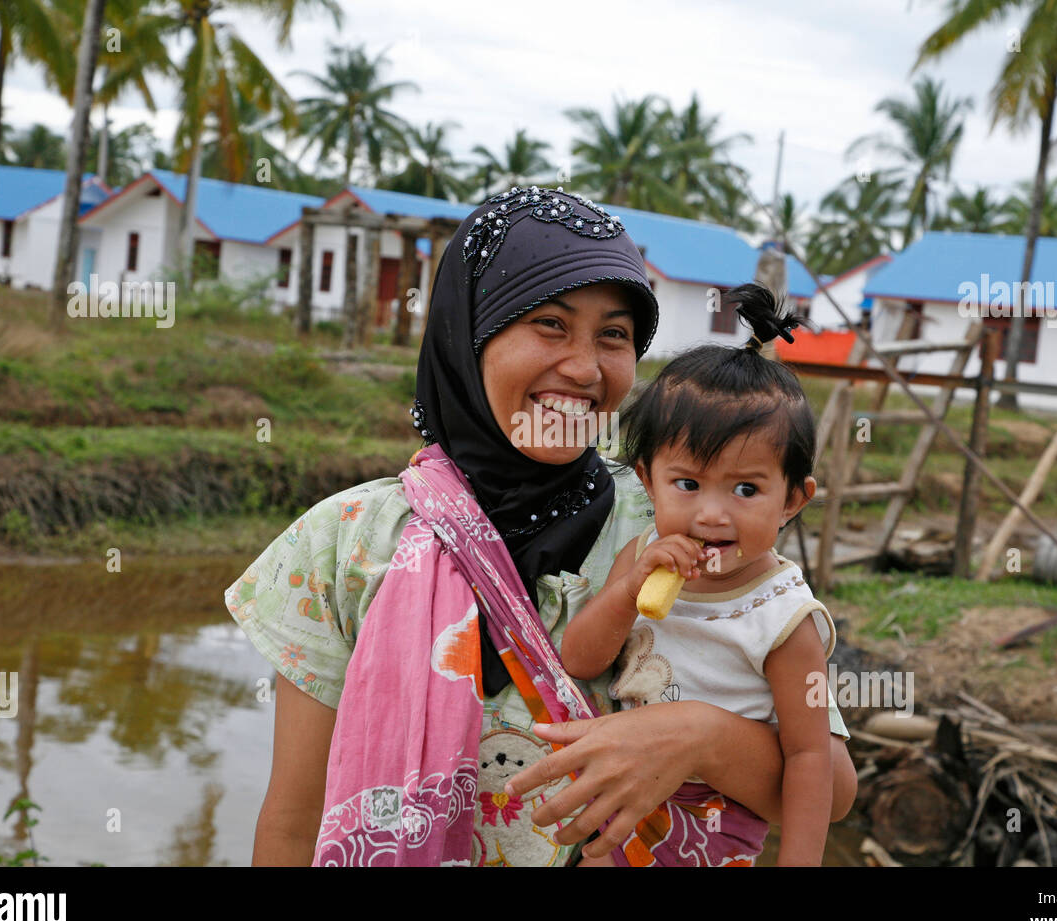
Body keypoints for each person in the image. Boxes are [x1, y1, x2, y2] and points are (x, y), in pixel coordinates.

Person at [225, 185, 856, 867]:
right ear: (469, 332)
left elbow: (831, 787)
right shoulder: (344, 543)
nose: (585, 368)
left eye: (614, 335)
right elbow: (295, 822)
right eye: (550, 324)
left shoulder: (677, 526)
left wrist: (698, 735)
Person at [560, 282, 837, 866]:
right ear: (647, 479)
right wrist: (627, 591)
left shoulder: (785, 618)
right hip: (620, 799)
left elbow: (812, 759)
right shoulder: (641, 555)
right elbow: (580, 660)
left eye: (746, 489)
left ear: (792, 499)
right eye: (687, 484)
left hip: (715, 822)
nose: (712, 514)